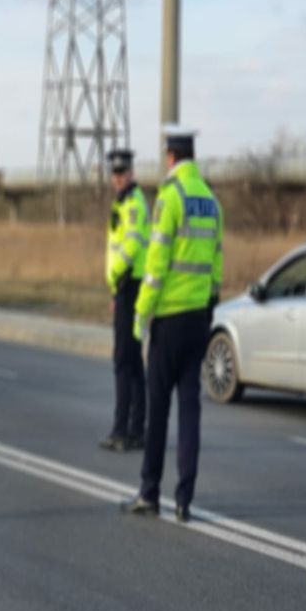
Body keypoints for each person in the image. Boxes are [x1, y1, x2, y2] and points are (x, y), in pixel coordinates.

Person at [121, 125, 223, 523]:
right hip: (198, 318)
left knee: (159, 410)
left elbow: (156, 263)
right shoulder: (212, 201)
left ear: (169, 157)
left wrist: (140, 315)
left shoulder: (170, 198)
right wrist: (209, 304)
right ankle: (185, 499)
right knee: (190, 410)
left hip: (167, 320)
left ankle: (150, 491)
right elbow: (217, 261)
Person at [99, 148, 149, 453]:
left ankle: (125, 429)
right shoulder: (124, 202)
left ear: (130, 172)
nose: (118, 178)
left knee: (125, 362)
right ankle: (133, 429)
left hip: (130, 284)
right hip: (125, 287)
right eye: (114, 174)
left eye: (122, 173)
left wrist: (116, 275)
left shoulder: (133, 205)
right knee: (130, 362)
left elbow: (130, 246)